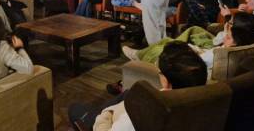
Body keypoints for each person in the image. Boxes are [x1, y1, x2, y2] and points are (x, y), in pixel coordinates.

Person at [69, 41, 207, 130]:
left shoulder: (144, 112)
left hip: (108, 122)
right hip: (127, 109)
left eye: (159, 73)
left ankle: (99, 111)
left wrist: (106, 115)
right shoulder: (207, 104)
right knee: (128, 93)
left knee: (74, 108)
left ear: (167, 81)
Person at [122, 12, 254, 73]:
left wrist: (192, 49)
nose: (228, 24)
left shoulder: (220, 52)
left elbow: (204, 55)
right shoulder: (232, 43)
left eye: (231, 23)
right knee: (169, 39)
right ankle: (139, 54)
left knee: (167, 44)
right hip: (199, 52)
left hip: (193, 55)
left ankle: (140, 56)